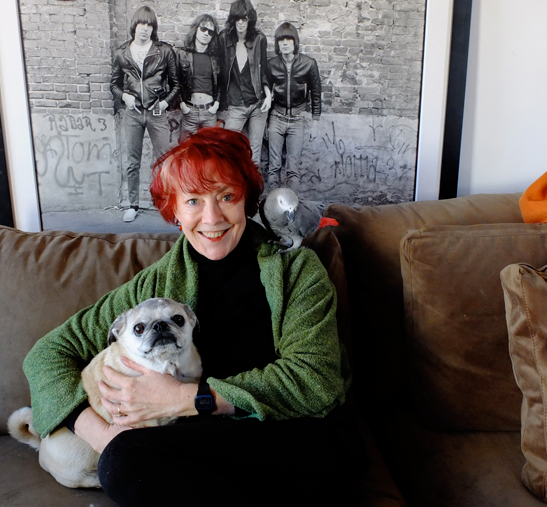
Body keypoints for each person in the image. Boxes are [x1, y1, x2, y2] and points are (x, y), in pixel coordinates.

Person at [23, 127, 365, 505]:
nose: (212, 217)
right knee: (122, 459)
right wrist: (101, 434)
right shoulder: (152, 287)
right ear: (174, 210)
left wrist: (189, 398)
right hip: (202, 446)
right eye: (193, 201)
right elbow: (47, 353)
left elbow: (316, 380)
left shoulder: (297, 269)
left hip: (293, 435)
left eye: (226, 196)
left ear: (247, 200)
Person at [110, 6, 180, 223]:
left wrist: (165, 103)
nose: (145, 29)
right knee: (132, 160)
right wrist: (124, 97)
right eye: (142, 24)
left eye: (150, 25)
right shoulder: (122, 53)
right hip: (132, 114)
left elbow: (176, 85)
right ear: (134, 26)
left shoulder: (164, 51)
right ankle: (132, 205)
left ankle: (167, 204)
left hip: (156, 113)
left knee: (164, 161)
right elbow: (113, 85)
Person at [267, 22, 322, 190]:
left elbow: (316, 92)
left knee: (293, 169)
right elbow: (266, 94)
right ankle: (272, 205)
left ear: (295, 42)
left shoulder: (308, 64)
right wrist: (265, 122)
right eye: (281, 40)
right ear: (277, 43)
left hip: (298, 119)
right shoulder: (271, 65)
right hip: (276, 118)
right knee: (273, 167)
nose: (284, 43)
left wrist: (316, 118)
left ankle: (291, 205)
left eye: (288, 39)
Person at [219, 0, 272, 168]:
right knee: (228, 149)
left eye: (245, 19)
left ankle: (253, 193)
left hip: (257, 103)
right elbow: (218, 70)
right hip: (235, 103)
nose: (241, 23)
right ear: (233, 20)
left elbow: (263, 69)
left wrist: (268, 95)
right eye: (238, 19)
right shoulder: (224, 38)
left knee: (255, 152)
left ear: (250, 20)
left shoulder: (259, 39)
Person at [176, 14, 222, 141]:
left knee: (211, 152)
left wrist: (216, 105)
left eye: (210, 31)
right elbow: (176, 81)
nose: (206, 33)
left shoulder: (215, 59)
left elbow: (221, 83)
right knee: (186, 151)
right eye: (203, 29)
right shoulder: (183, 55)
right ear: (196, 29)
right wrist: (182, 105)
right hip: (190, 111)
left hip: (209, 112)